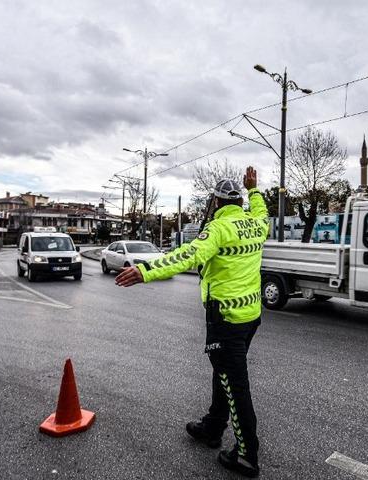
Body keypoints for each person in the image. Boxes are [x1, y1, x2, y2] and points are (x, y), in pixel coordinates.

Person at [116, 166, 268, 477]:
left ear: (216, 202)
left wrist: (146, 271)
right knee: (223, 373)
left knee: (236, 386)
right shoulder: (257, 224)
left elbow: (187, 256)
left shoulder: (218, 230)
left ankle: (246, 454)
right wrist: (254, 189)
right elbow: (263, 210)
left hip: (225, 318)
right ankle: (213, 426)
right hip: (250, 316)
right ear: (240, 202)